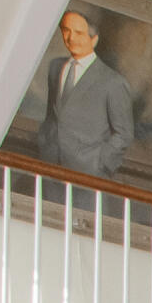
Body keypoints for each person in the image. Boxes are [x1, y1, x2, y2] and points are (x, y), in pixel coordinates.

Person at [35, 9, 137, 180]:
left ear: (94, 39)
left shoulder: (113, 82)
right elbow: (53, 115)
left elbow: (124, 134)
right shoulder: (55, 67)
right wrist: (44, 141)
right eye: (66, 30)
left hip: (88, 174)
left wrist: (100, 163)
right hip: (48, 164)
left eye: (79, 33)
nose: (71, 38)